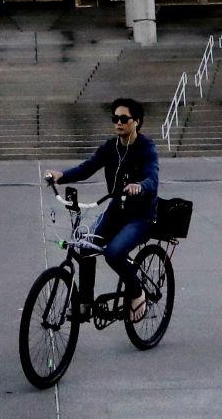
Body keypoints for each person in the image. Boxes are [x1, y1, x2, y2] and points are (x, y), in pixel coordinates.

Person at [45, 97, 160, 321]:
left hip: (141, 216)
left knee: (114, 253)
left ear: (136, 121)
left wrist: (140, 186)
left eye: (124, 119)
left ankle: (137, 293)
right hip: (117, 210)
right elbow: (88, 167)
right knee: (86, 246)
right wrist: (62, 176)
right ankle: (85, 305)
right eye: (115, 118)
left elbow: (152, 178)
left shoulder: (146, 148)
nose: (118, 122)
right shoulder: (110, 148)